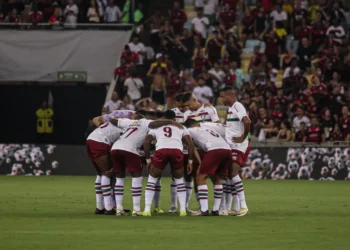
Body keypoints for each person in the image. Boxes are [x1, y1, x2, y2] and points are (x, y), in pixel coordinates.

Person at [109, 114, 181, 216]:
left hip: (115, 148)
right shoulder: (145, 122)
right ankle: (136, 209)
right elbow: (154, 124)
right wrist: (170, 122)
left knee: (119, 178)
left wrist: (110, 117)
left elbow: (113, 121)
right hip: (130, 149)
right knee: (137, 178)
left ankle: (119, 209)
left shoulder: (129, 122)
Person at [142, 110, 195, 216]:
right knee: (179, 180)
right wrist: (190, 161)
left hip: (161, 150)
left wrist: (148, 160)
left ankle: (147, 209)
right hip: (176, 151)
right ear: (174, 119)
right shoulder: (181, 127)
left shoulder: (156, 126)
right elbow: (190, 144)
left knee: (152, 179)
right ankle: (183, 210)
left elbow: (147, 142)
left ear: (163, 118)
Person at [184, 118, 231, 216]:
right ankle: (215, 210)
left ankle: (204, 210)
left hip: (214, 150)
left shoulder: (188, 131)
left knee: (200, 177)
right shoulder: (208, 129)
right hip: (227, 149)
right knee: (216, 178)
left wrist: (198, 162)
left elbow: (192, 147)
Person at [219, 86, 250, 216]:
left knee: (232, 173)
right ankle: (236, 207)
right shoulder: (231, 109)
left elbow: (247, 122)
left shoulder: (238, 106)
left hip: (238, 146)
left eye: (222, 96)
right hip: (231, 145)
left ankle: (244, 205)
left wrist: (242, 137)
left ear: (230, 96)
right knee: (229, 175)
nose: (221, 99)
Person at [86, 121, 123, 215]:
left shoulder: (118, 122)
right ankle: (109, 208)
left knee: (100, 173)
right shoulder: (127, 129)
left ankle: (99, 207)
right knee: (107, 173)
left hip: (90, 139)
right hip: (101, 142)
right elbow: (118, 149)